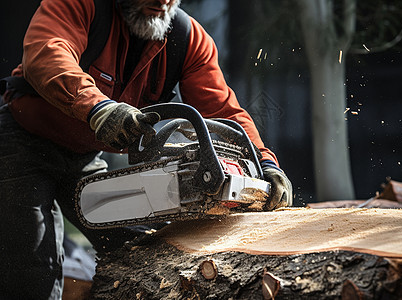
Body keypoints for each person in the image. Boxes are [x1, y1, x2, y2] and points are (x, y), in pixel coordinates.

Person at [0, 0, 293, 298]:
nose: (161, 1)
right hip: (24, 144)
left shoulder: (187, 37)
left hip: (84, 157)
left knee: (136, 247)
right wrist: (98, 108)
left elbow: (223, 112)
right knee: (32, 266)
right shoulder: (81, 4)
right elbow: (46, 53)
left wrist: (265, 163)